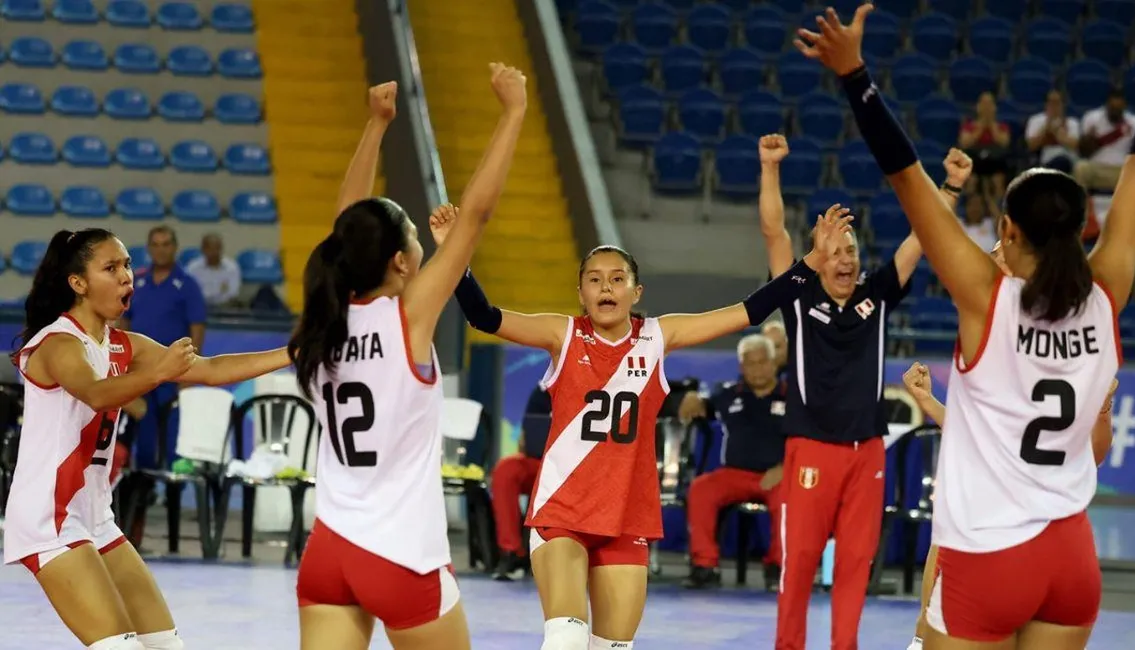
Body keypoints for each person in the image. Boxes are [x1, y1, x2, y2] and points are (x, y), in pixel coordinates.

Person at [795, 4, 1135, 647]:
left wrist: (855, 76)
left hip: (989, 553)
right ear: (1081, 229)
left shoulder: (986, 298)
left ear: (1005, 231)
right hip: (1071, 558)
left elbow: (906, 177)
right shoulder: (1106, 297)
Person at [449, 219, 810, 650]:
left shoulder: (657, 337)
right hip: (563, 512)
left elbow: (748, 312)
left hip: (626, 516)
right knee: (566, 638)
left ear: (636, 292)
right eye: (595, 280)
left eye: (618, 279)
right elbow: (483, 315)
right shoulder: (563, 335)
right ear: (581, 292)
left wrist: (809, 266)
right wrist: (456, 252)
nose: (606, 288)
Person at [289, 67, 526, 650]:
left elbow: (344, 225)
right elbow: (474, 216)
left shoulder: (326, 320)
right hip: (398, 556)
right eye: (415, 239)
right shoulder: (406, 318)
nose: (423, 245)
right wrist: (513, 112)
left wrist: (376, 125)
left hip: (329, 552)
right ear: (400, 262)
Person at [4, 227, 292, 650]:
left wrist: (293, 352)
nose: (126, 276)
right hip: (51, 519)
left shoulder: (123, 345)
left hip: (94, 518)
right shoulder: (58, 344)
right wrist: (158, 373)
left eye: (126, 265)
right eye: (111, 267)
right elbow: (97, 393)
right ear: (78, 284)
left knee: (166, 646)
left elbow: (210, 370)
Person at [757, 134, 970, 650]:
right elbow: (772, 230)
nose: (844, 258)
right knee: (799, 567)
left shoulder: (876, 293)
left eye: (851, 249)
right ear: (817, 258)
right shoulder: (797, 293)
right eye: (833, 250)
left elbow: (923, 236)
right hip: (810, 449)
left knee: (854, 569)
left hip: (866, 455)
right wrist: (770, 168)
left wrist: (951, 188)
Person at [901, 358, 1119, 650]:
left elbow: (1092, 454)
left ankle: (920, 635)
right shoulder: (1069, 362)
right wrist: (928, 402)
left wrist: (1102, 408)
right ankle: (920, 634)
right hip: (1065, 553)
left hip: (1005, 545)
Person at [675, 333, 788, 592]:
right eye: (750, 363)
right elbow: (703, 404)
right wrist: (694, 398)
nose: (757, 368)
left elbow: (807, 440)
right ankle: (704, 566)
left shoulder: (792, 396)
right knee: (701, 489)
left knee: (789, 498)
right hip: (735, 474)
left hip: (779, 474)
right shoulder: (728, 394)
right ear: (741, 366)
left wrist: (785, 468)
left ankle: (777, 568)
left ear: (774, 364)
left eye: (763, 362)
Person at [121, 226, 206, 472]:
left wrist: (192, 371)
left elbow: (197, 329)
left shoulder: (187, 285)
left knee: (173, 439)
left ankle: (173, 499)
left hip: (175, 372)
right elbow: (124, 323)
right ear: (148, 248)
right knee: (144, 438)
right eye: (155, 244)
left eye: (166, 244)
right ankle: (143, 497)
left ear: (175, 247)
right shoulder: (137, 282)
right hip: (139, 371)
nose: (160, 250)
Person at [491, 385, 553, 581]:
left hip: (582, 467)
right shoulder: (543, 390)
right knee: (505, 470)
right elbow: (527, 438)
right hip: (543, 463)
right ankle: (512, 552)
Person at [1075, 87, 1135, 194]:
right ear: (1107, 106)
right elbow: (1082, 152)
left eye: (1118, 109)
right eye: (1112, 108)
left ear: (1124, 107)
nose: (1115, 112)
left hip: (1122, 171)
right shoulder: (1092, 119)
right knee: (1080, 168)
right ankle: (1080, 209)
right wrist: (1090, 140)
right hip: (1097, 169)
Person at [1025, 89, 1080, 175]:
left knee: (1064, 162)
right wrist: (1046, 129)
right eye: (1050, 102)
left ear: (1063, 104)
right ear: (1046, 104)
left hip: (1069, 160)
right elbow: (1031, 145)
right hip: (1046, 161)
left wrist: (1059, 135)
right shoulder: (1036, 120)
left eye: (1057, 102)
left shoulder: (1072, 122)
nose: (1054, 106)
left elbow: (1076, 145)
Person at [184, 234, 241, 307]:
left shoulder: (232, 267)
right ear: (202, 249)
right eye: (210, 249)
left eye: (217, 248)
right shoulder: (192, 268)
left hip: (224, 307)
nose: (214, 252)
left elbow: (233, 293)